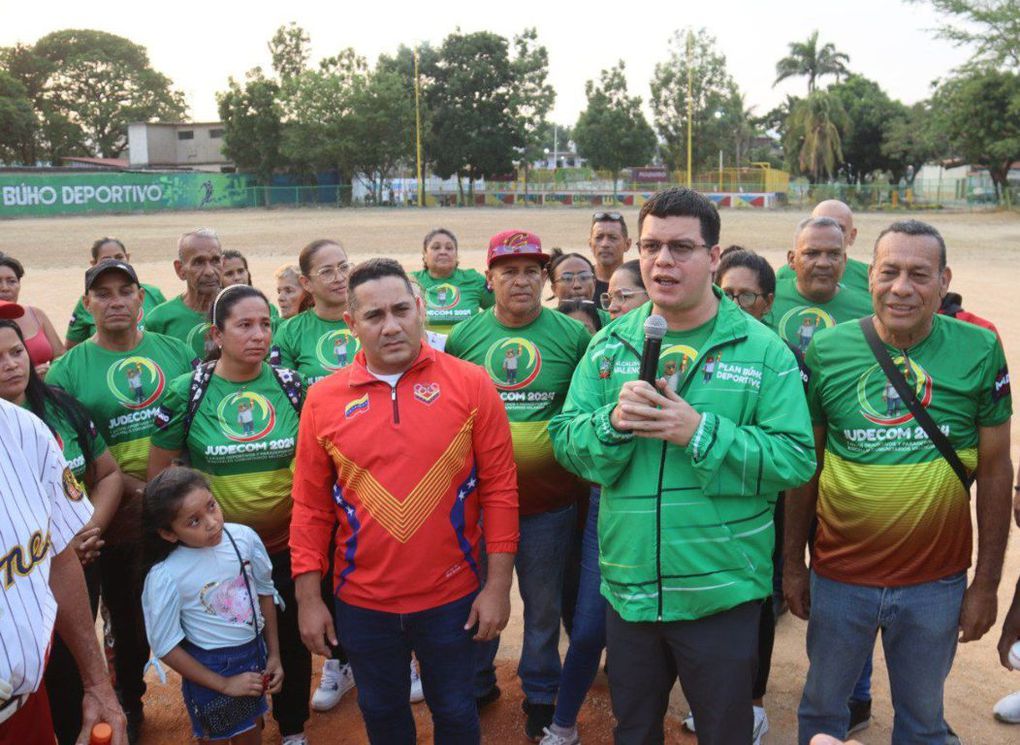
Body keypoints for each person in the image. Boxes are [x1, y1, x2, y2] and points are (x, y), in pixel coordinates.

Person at [549, 187, 816, 745]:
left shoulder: (763, 352)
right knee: (636, 729)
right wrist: (611, 425)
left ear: (714, 257)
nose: (662, 261)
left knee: (723, 731)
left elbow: (794, 460)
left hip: (721, 592)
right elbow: (566, 443)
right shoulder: (608, 346)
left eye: (681, 248)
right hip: (630, 589)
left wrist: (702, 433)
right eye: (650, 247)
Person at [786, 220, 1013, 745]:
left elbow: (997, 471)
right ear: (870, 278)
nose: (902, 287)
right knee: (822, 711)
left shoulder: (980, 350)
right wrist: (793, 565)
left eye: (919, 274)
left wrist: (985, 585)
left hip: (935, 583)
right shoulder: (826, 351)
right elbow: (808, 466)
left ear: (943, 280)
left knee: (922, 722)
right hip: (840, 577)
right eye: (889, 272)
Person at [290, 258, 519, 743]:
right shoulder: (322, 400)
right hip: (361, 601)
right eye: (374, 316)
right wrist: (309, 599)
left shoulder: (473, 384)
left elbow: (500, 490)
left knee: (457, 712)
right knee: (382, 714)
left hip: (452, 596)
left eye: (401, 310)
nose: (391, 326)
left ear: (420, 309)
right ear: (351, 324)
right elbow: (310, 507)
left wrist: (497, 587)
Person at [147, 284, 311, 745]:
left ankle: (293, 728)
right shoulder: (188, 392)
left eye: (265, 324)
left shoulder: (292, 386)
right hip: (214, 560)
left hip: (286, 546)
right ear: (216, 334)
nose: (258, 334)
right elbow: (162, 482)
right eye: (244, 325)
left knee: (291, 642)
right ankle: (231, 727)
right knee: (227, 647)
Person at [447, 230, 592, 740]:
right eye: (509, 271)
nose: (522, 280)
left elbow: (584, 411)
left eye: (532, 271)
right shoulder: (465, 337)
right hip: (481, 506)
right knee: (479, 595)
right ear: (489, 279)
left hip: (549, 503)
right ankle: (478, 678)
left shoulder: (573, 338)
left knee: (543, 602)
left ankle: (540, 692)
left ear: (544, 279)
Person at [47, 260, 197, 743]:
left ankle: (212, 702)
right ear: (87, 304)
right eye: (103, 293)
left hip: (182, 513)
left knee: (197, 606)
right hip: (115, 520)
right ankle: (129, 700)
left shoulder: (174, 352)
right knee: (128, 621)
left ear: (140, 299)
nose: (115, 301)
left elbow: (195, 423)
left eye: (125, 291)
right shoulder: (69, 370)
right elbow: (73, 456)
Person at [681, 246, 806, 744]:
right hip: (703, 506)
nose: (732, 301)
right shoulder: (692, 348)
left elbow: (795, 450)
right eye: (725, 291)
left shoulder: (783, 358)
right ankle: (707, 697)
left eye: (745, 295)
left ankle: (751, 702)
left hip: (763, 506)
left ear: (768, 302)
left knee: (757, 605)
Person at [0, 312, 124, 745]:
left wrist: (98, 683)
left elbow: (57, 554)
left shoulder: (31, 427)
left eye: (16, 352)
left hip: (23, 703)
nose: (10, 364)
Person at [141, 467, 283, 745]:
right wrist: (225, 684)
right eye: (194, 521)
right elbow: (165, 645)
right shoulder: (166, 575)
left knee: (251, 733)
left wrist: (274, 654)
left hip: (254, 655)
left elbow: (265, 593)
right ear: (169, 534)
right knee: (216, 737)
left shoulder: (243, 539)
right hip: (210, 671)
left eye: (212, 507)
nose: (212, 523)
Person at [765, 216, 873, 351]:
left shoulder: (869, 312)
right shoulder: (765, 298)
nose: (823, 263)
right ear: (792, 259)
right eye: (812, 253)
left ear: (844, 260)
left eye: (834, 254)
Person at [272, 239, 357, 387]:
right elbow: (283, 392)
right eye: (326, 272)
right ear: (306, 283)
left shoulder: (373, 319)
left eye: (343, 267)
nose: (340, 278)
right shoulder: (290, 332)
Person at [65, 238, 168, 349]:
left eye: (119, 257)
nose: (117, 303)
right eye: (103, 295)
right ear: (94, 264)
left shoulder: (153, 294)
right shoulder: (89, 302)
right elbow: (70, 348)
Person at [147, 228, 224, 361]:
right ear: (180, 269)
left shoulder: (240, 312)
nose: (210, 271)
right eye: (199, 262)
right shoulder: (159, 320)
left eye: (215, 261)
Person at [411, 228, 493, 335]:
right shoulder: (411, 282)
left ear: (456, 255)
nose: (443, 252)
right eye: (436, 247)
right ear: (425, 254)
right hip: (426, 349)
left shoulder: (474, 280)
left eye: (449, 248)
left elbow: (502, 310)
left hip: (465, 349)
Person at [776, 200, 869, 293]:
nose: (828, 234)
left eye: (839, 228)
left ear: (852, 235)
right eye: (819, 225)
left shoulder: (868, 275)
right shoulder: (784, 275)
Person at [0, 252, 64, 375]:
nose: (5, 288)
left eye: (11, 281)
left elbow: (60, 355)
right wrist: (30, 377)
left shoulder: (36, 314)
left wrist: (51, 372)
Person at [221, 249, 281, 323]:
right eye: (229, 274)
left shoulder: (268, 309)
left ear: (248, 273)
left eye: (241, 271)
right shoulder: (215, 312)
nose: (237, 277)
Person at [588, 211, 632, 299]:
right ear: (590, 244)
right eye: (599, 237)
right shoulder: (581, 284)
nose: (605, 244)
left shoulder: (638, 283)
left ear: (627, 244)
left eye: (613, 238)